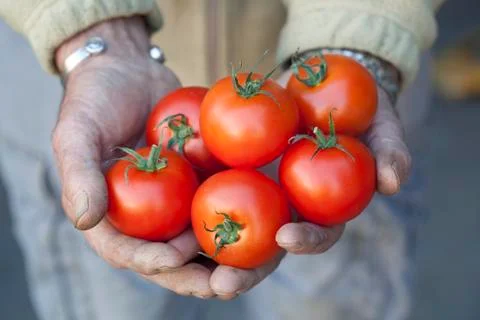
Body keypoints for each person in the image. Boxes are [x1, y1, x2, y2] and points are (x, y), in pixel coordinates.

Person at [0, 0, 444, 319]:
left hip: (329, 78)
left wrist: (360, 31)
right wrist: (86, 25)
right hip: (65, 82)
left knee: (329, 302)